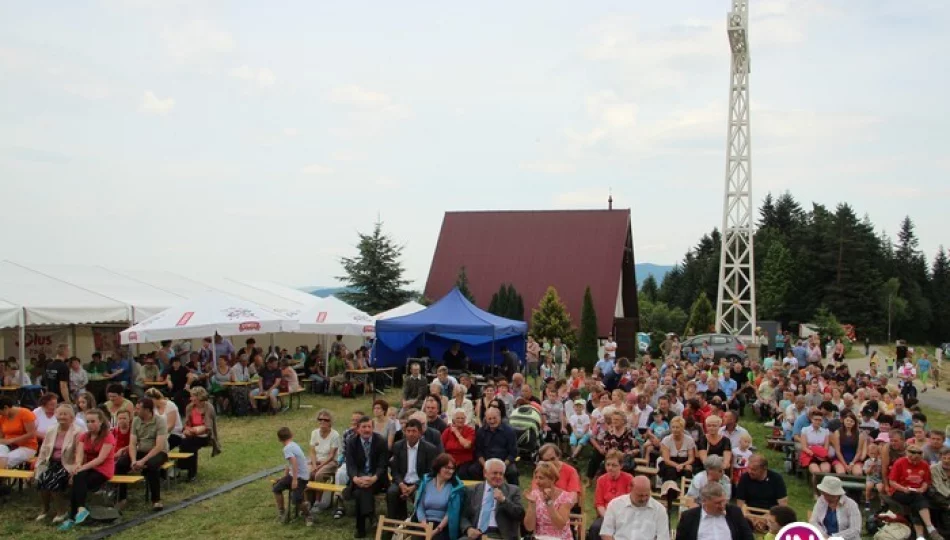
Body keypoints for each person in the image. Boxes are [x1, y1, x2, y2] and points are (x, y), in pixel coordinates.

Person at [57, 409, 115, 531]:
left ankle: (73, 517)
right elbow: (79, 453)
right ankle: (80, 510)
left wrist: (81, 468)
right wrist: (77, 465)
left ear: (100, 422)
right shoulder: (84, 436)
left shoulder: (108, 437)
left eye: (93, 421)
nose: (90, 424)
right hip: (87, 468)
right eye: (87, 421)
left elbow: (100, 459)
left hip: (103, 470)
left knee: (77, 481)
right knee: (78, 479)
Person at [115, 397, 168, 511]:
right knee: (121, 464)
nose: (135, 410)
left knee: (152, 465)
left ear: (147, 410)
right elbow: (133, 443)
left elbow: (159, 446)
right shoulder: (136, 421)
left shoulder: (160, 421)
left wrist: (143, 461)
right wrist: (134, 460)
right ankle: (121, 498)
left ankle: (156, 500)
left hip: (158, 452)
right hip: (141, 450)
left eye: (138, 409)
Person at [34, 404, 82, 524]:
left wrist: (76, 469)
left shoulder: (77, 432)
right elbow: (44, 449)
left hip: (67, 464)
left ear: (72, 417)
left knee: (53, 481)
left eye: (65, 414)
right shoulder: (51, 430)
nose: (62, 417)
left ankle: (61, 511)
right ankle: (45, 509)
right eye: (59, 414)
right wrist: (38, 466)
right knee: (41, 479)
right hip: (51, 463)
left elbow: (79, 453)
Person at [343, 415, 388, 539]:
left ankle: (361, 528)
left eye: (369, 427)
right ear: (358, 429)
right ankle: (371, 515)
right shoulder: (352, 442)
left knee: (360, 493)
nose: (367, 430)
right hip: (359, 479)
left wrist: (373, 478)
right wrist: (355, 478)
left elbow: (382, 465)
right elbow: (350, 465)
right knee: (360, 491)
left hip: (377, 480)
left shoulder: (381, 441)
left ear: (373, 428)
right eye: (364, 427)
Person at [888, 443, 944, 540]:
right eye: (911, 460)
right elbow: (892, 482)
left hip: (917, 492)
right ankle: (930, 528)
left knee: (916, 504)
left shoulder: (924, 464)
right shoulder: (900, 462)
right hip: (899, 491)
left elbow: (926, 481)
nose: (914, 463)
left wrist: (923, 488)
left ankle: (920, 536)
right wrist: (903, 489)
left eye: (917, 460)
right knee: (918, 499)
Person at [459, 458, 525, 540]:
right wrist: (468, 529)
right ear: (485, 473)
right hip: (476, 533)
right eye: (495, 473)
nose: (498, 476)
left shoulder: (513, 490)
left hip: (500, 535)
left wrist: (504, 500)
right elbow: (463, 516)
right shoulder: (472, 490)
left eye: (501, 474)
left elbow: (520, 515)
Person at [387, 418, 439, 521]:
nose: (411, 434)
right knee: (392, 492)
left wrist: (415, 486)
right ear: (404, 432)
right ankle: (393, 524)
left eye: (414, 431)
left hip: (419, 482)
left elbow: (430, 472)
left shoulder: (430, 449)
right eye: (408, 431)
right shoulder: (398, 446)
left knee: (418, 495)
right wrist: (401, 484)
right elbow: (395, 470)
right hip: (402, 481)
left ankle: (417, 523)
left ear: (420, 433)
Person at [599, 475, 669, 540]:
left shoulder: (659, 510)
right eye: (640, 495)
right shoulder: (615, 505)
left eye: (647, 495)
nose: (644, 499)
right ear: (630, 489)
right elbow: (606, 533)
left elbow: (663, 537)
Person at [675, 482, 754, 540]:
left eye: (723, 501)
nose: (722, 505)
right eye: (717, 503)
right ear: (704, 501)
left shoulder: (734, 513)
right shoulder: (689, 517)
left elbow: (748, 537)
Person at [414, 453, 466, 540]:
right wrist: (424, 525)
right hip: (424, 523)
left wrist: (436, 530)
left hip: (443, 526)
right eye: (447, 468)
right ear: (438, 467)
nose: (450, 471)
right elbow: (420, 506)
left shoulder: (455, 487)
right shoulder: (426, 482)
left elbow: (451, 512)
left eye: (452, 468)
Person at [735, 455, 788, 532]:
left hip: (770, 514)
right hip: (749, 514)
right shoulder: (744, 478)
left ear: (764, 468)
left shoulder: (776, 479)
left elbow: (783, 504)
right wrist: (753, 519)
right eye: (749, 468)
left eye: (754, 469)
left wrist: (764, 519)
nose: (750, 471)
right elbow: (740, 503)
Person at [588, 450, 634, 539]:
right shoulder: (601, 480)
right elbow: (599, 504)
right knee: (595, 528)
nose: (610, 468)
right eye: (608, 464)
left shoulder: (629, 479)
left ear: (621, 466)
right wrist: (608, 518)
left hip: (625, 517)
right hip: (606, 516)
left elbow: (631, 503)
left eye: (614, 465)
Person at [523, 461, 575, 540]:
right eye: (536, 477)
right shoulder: (534, 494)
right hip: (540, 538)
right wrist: (532, 504)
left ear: (552, 479)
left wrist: (549, 502)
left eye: (541, 478)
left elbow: (560, 525)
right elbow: (529, 527)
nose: (537, 482)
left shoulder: (565, 497)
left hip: (560, 538)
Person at [179, 387, 220, 481]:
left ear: (198, 397)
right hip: (192, 433)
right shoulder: (189, 407)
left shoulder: (208, 407)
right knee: (185, 441)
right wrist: (187, 430)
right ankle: (189, 470)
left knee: (188, 443)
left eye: (192, 396)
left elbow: (208, 427)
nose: (190, 399)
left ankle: (188, 470)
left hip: (205, 435)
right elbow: (187, 423)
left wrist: (196, 431)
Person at [273, 427, 312, 525]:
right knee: (277, 488)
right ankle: (282, 512)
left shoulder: (287, 448)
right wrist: (284, 477)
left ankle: (308, 515)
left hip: (301, 477)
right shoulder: (293, 445)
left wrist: (294, 480)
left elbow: (294, 462)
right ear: (292, 435)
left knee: (296, 500)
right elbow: (289, 464)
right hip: (294, 475)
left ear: (279, 439)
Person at [306, 409, 341, 515]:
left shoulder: (335, 435)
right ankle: (307, 502)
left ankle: (317, 502)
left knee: (318, 475)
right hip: (315, 461)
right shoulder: (314, 433)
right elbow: (312, 452)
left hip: (330, 462)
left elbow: (331, 455)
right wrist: (313, 464)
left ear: (330, 422)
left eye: (325, 420)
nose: (322, 422)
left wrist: (320, 466)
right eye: (320, 419)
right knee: (306, 474)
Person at [473, 408, 519, 486]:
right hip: (486, 462)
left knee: (513, 472)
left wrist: (503, 465)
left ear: (500, 417)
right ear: (486, 419)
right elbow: (478, 451)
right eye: (489, 419)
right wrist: (485, 465)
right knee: (473, 470)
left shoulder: (509, 431)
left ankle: (513, 492)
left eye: (494, 418)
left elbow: (513, 453)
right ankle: (481, 491)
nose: (492, 421)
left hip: (504, 462)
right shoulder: (481, 432)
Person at [809, 476, 862, 540]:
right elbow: (813, 521)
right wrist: (823, 535)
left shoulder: (851, 505)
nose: (825, 496)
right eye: (823, 493)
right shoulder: (821, 500)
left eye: (828, 495)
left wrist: (833, 537)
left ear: (836, 494)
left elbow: (855, 530)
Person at [0, 395, 38, 469]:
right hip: (8, 446)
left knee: (5, 461)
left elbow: (32, 434)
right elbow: (1, 435)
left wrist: (12, 440)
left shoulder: (25, 413)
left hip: (27, 446)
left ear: (6, 408)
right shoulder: (2, 417)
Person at [443, 410, 477, 479]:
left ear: (465, 419)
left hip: (464, 461)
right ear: (453, 420)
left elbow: (467, 445)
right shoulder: (447, 431)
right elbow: (441, 446)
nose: (460, 420)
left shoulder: (470, 430)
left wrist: (456, 433)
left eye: (462, 418)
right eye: (458, 418)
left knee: (461, 473)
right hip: (449, 460)